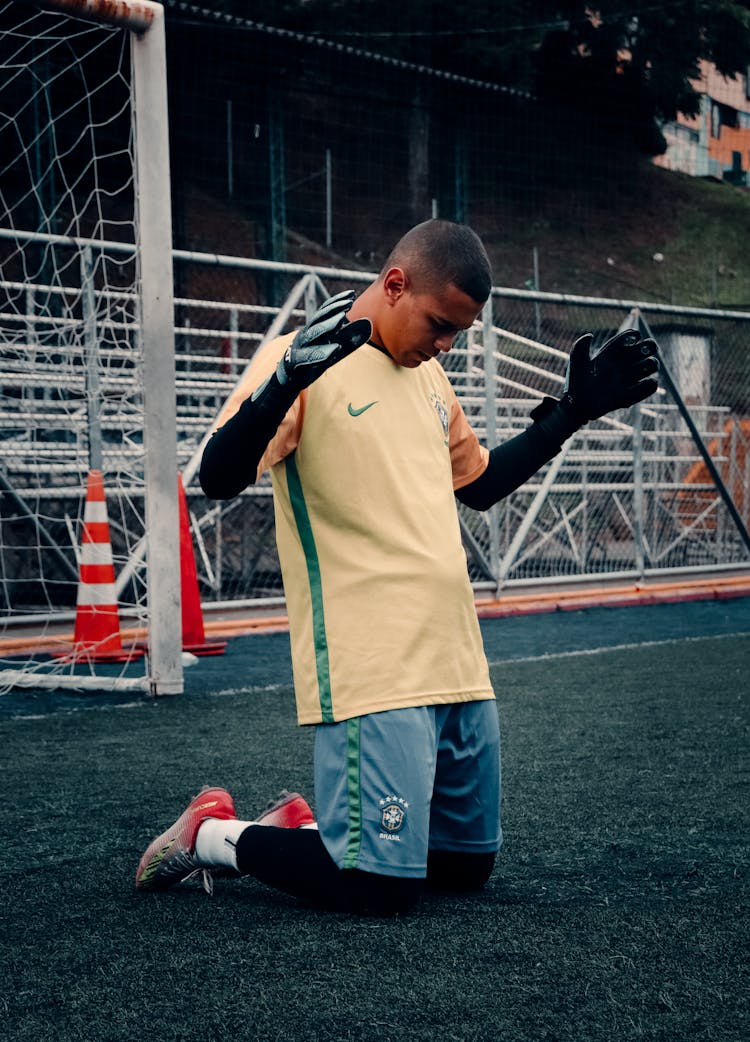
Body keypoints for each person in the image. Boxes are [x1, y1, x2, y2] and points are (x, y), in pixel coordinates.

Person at [135, 219, 658, 914]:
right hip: (374, 667)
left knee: (463, 868)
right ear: (393, 284)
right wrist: (285, 382)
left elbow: (477, 484)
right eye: (441, 324)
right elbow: (218, 476)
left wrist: (570, 414)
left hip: (456, 661)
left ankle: (308, 832)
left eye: (458, 334)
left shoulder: (429, 378)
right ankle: (212, 834)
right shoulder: (300, 361)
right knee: (380, 887)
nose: (445, 344)